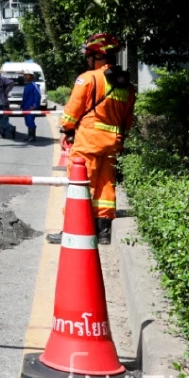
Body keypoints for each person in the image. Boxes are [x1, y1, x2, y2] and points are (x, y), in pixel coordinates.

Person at [60, 33, 136, 244]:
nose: (87, 60)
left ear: (98, 56)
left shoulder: (88, 79)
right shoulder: (125, 86)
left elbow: (72, 112)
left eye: (89, 56)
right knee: (106, 185)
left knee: (81, 184)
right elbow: (127, 120)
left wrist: (66, 130)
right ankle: (103, 232)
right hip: (113, 143)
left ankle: (73, 229)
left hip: (88, 142)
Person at [19, 72, 41, 143]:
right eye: (24, 75)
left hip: (31, 107)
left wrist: (35, 106)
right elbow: (25, 97)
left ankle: (32, 136)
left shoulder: (34, 85)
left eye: (26, 75)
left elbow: (38, 96)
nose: (25, 77)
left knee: (31, 121)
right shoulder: (27, 85)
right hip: (26, 107)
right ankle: (29, 135)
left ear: (31, 76)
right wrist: (22, 105)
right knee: (27, 122)